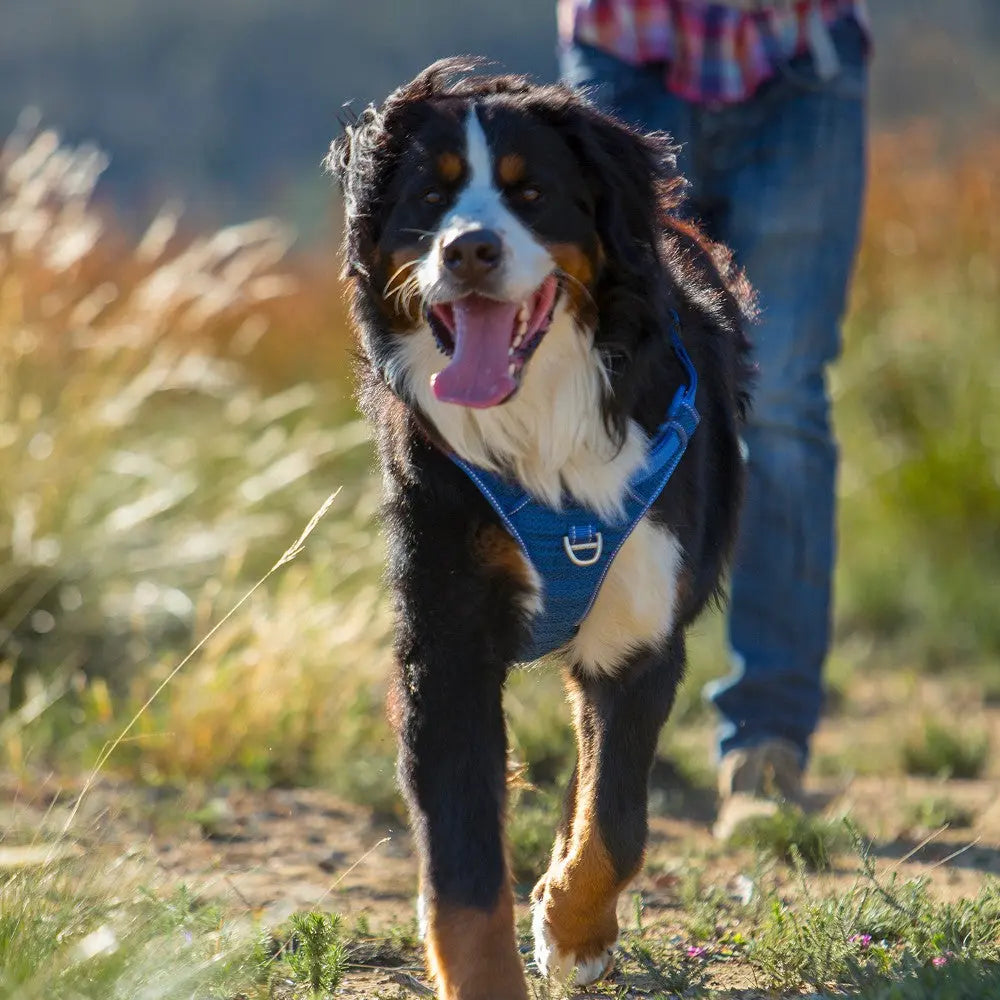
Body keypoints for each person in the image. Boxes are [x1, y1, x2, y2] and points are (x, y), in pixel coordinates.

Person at [557, 0, 869, 838]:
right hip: (628, 56)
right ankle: (597, 743)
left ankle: (766, 750)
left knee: (786, 402)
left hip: (801, 64)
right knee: (602, 384)